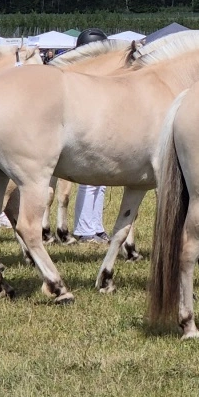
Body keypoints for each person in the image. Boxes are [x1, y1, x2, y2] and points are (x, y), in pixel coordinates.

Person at [72, 28, 110, 244]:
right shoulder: (82, 72)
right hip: (86, 127)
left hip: (99, 126)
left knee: (100, 181)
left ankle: (95, 226)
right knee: (89, 182)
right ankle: (84, 229)